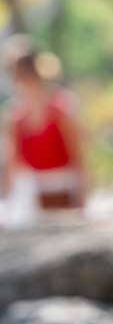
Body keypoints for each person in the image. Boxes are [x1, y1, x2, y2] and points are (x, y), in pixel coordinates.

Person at [2, 38, 85, 225]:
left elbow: (77, 155)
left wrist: (82, 195)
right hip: (31, 197)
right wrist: (9, 203)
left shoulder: (61, 107)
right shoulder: (15, 116)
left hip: (62, 194)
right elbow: (12, 163)